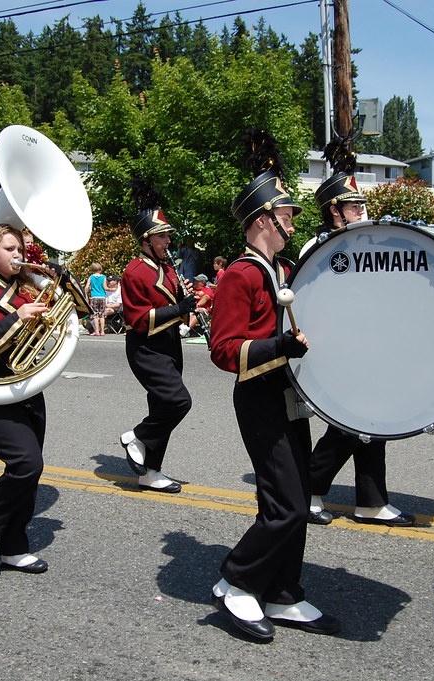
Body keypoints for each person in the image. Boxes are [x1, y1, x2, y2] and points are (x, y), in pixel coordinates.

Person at [208, 127, 339, 641]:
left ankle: (283, 592)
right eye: (285, 217)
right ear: (263, 220)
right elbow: (224, 352)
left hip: (287, 396)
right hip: (258, 396)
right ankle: (238, 580)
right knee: (286, 502)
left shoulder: (281, 268)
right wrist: (284, 345)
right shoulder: (240, 275)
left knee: (295, 497)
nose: (291, 224)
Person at [0, 224, 88, 574]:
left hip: (28, 386)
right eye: (10, 249)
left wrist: (62, 279)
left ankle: (14, 545)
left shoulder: (27, 283)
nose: (19, 255)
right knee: (26, 464)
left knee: (30, 472)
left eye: (21, 249)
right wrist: (18, 317)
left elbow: (82, 310)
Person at [305, 137, 414, 528]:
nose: (360, 212)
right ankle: (310, 489)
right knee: (351, 426)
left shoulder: (365, 245)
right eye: (354, 206)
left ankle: (370, 500)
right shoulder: (318, 249)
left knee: (373, 424)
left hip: (369, 349)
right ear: (334, 211)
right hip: (339, 350)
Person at [118, 180, 195, 494]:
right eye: (162, 236)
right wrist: (179, 308)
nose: (167, 241)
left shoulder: (167, 266)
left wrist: (189, 300)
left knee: (160, 406)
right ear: (146, 240)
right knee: (178, 401)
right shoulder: (134, 271)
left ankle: (151, 471)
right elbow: (138, 319)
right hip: (146, 347)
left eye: (167, 236)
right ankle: (135, 436)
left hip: (169, 344)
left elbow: (176, 303)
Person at [87, 262, 107, 336]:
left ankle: (97, 331)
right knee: (102, 315)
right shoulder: (103, 277)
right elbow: (105, 287)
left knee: (95, 315)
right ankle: (102, 331)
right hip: (102, 296)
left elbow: (86, 287)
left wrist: (87, 292)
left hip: (94, 296)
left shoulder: (91, 277)